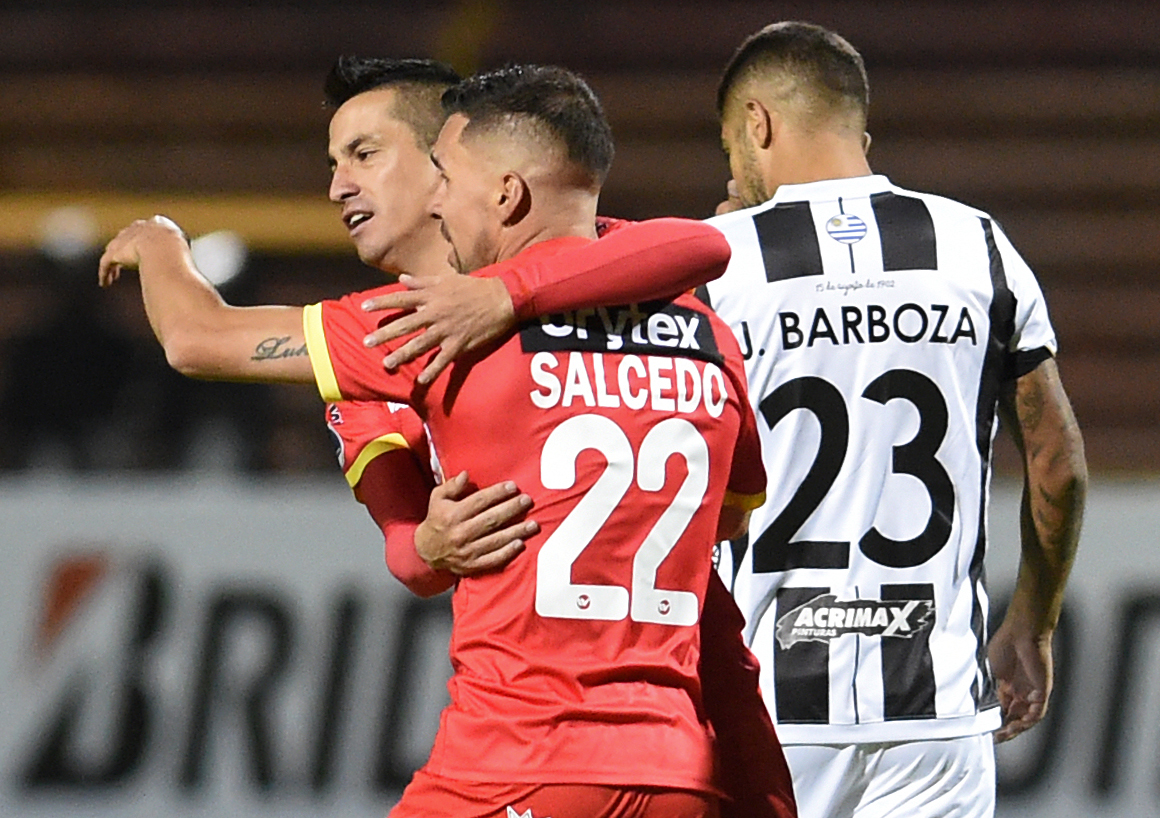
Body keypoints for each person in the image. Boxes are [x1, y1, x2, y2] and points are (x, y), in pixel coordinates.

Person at [98, 62, 790, 818]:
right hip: (684, 759)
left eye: (366, 154)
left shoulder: (411, 331)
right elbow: (412, 552)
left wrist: (159, 242)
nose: (338, 186)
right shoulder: (688, 315)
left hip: (522, 756)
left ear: (470, 176)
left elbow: (197, 338)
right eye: (333, 163)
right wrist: (429, 543)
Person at [702, 21, 1087, 818]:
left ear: (757, 123)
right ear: (859, 133)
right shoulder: (978, 244)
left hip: (767, 711)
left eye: (731, 147)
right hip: (936, 715)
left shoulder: (714, 263)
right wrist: (1033, 622)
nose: (733, 172)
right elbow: (1057, 461)